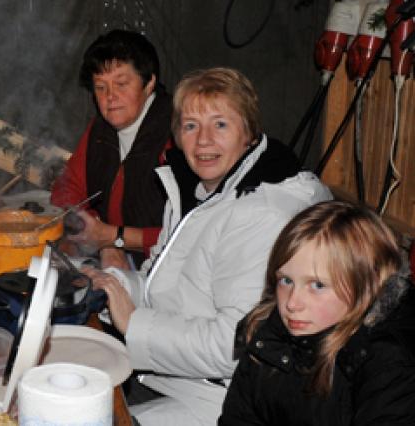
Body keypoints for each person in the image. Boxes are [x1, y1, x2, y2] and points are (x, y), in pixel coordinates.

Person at [85, 67, 331, 426]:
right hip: (175, 378)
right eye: (190, 126)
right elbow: (163, 288)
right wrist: (111, 286)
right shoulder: (199, 191)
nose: (202, 141)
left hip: (229, 401)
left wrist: (134, 323)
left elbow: (234, 345)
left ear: (248, 132)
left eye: (220, 125)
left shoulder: (262, 214)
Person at [219, 201, 415, 425]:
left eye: (318, 285)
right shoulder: (267, 335)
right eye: (286, 281)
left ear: (366, 288)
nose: (292, 303)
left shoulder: (389, 363)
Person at [50, 30, 172, 268]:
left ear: (149, 84)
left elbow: (192, 232)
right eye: (100, 87)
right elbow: (67, 186)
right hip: (113, 259)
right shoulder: (99, 129)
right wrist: (94, 229)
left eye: (121, 84)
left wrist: (114, 237)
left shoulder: (178, 134)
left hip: (168, 271)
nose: (110, 97)